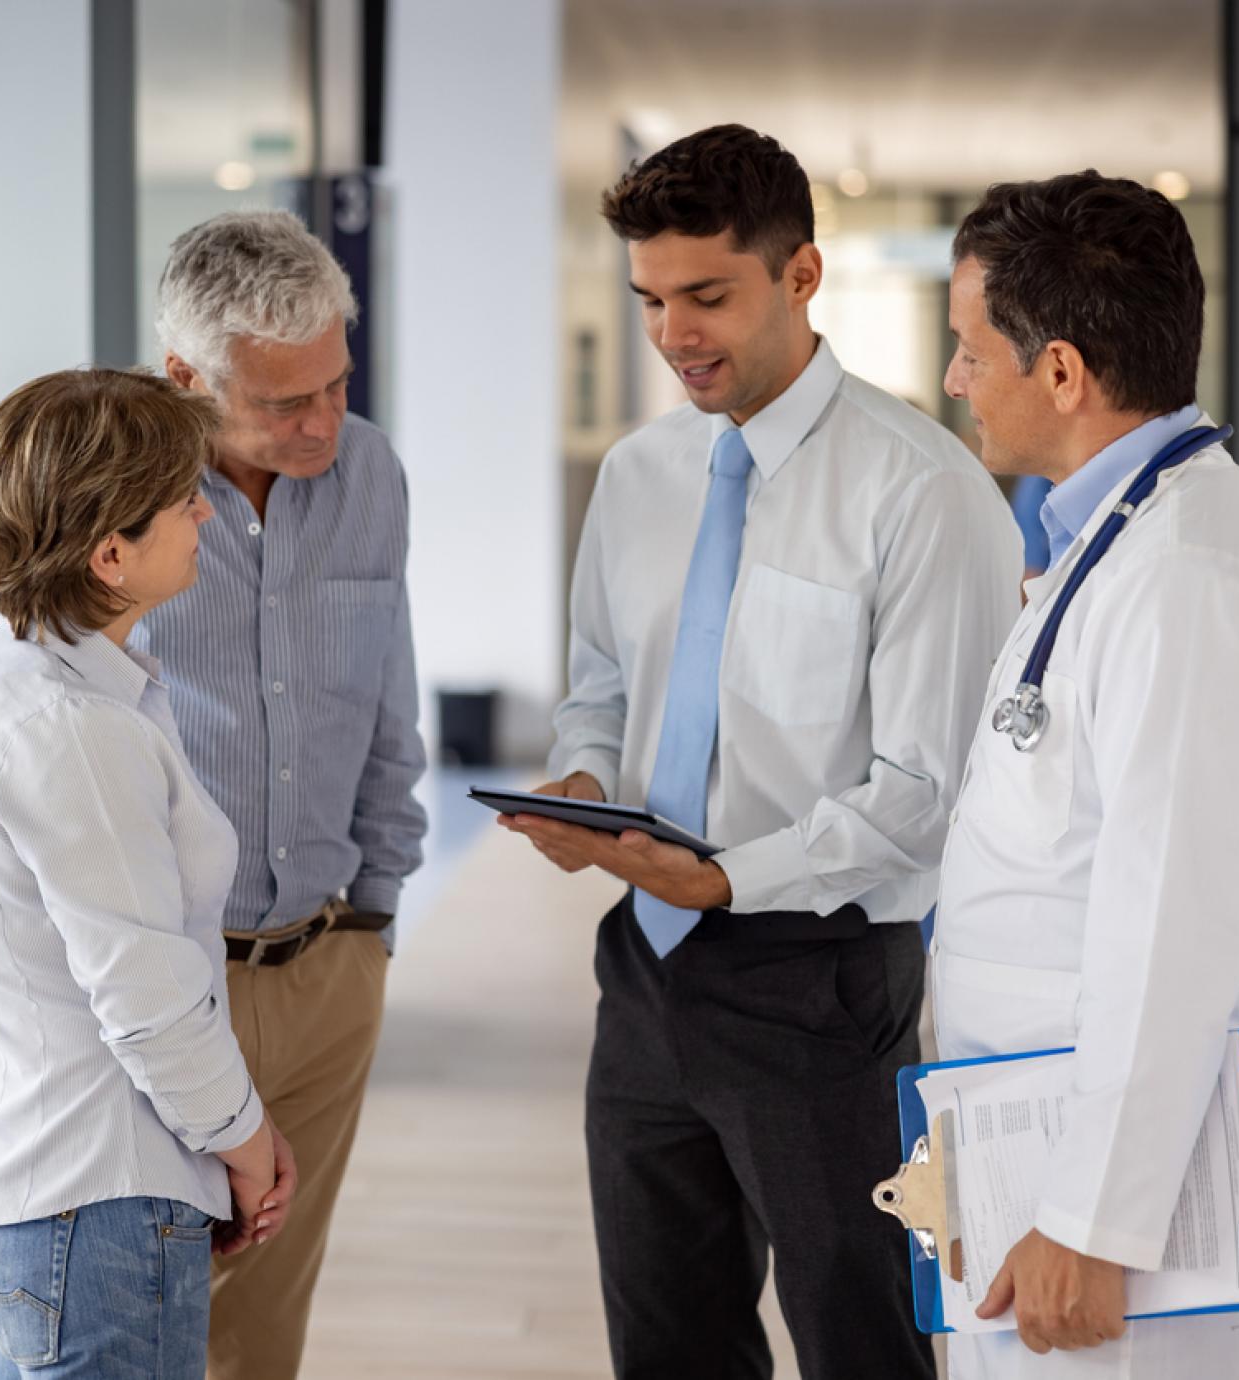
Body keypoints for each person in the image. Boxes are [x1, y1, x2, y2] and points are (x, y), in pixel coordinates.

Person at [0, 210, 426, 1380]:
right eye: (280, 403)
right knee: (106, 1314)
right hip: (151, 992)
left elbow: (387, 690)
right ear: (185, 378)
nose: (320, 426)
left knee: (253, 1344)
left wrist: (379, 911)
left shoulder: (370, 472)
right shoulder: (88, 487)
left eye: (335, 386)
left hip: (323, 963)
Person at [502, 125, 1021, 1380]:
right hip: (644, 968)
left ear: (799, 278)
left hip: (818, 983)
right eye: (649, 301)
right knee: (664, 1339)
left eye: (706, 296)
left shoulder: (921, 491)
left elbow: (924, 794)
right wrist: (579, 783)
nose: (673, 334)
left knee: (863, 1342)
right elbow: (603, 689)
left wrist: (729, 879)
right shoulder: (637, 476)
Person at [935, 171, 1239, 1375]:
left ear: (1059, 373)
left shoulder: (1183, 581)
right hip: (1048, 1134)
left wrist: (1093, 1215)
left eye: (968, 351)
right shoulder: (1125, 545)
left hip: (1140, 1202)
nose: (955, 379)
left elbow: (1173, 914)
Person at [0, 367, 297, 1380]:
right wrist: (246, 1142)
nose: (202, 510)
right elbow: (144, 996)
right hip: (90, 1198)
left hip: (65, 1187)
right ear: (109, 556)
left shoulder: (24, 676)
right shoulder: (72, 727)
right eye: (182, 498)